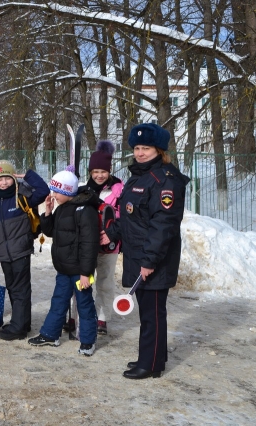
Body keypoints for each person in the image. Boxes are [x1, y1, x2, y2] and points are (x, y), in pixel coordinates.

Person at [101, 123, 190, 379]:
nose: (140, 153)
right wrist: (114, 231)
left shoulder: (165, 181)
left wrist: (150, 260)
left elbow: (164, 225)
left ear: (159, 150)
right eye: (137, 148)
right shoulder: (139, 176)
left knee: (152, 314)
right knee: (147, 313)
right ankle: (151, 358)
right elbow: (132, 218)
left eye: (146, 148)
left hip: (153, 259)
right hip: (138, 255)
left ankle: (150, 365)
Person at [28, 168, 101, 355]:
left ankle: (87, 341)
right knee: (58, 301)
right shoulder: (62, 209)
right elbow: (51, 232)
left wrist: (86, 273)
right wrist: (48, 213)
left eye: (56, 192)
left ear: (68, 191)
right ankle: (50, 334)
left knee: (84, 305)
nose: (53, 195)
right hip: (64, 269)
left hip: (80, 272)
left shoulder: (85, 211)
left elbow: (89, 244)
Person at [0, 160, 48, 340]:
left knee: (21, 289)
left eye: (7, 178)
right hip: (2, 253)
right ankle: (22, 322)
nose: (3, 183)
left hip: (20, 251)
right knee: (12, 287)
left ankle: (18, 328)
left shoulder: (22, 196)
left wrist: (27, 175)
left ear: (13, 179)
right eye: (0, 179)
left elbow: (43, 191)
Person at [86, 140, 124, 336]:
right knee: (83, 280)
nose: (99, 175)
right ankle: (80, 315)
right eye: (95, 172)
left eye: (103, 171)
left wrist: (110, 234)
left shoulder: (118, 189)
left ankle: (102, 317)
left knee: (105, 282)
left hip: (110, 244)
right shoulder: (85, 189)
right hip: (87, 244)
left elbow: (124, 217)